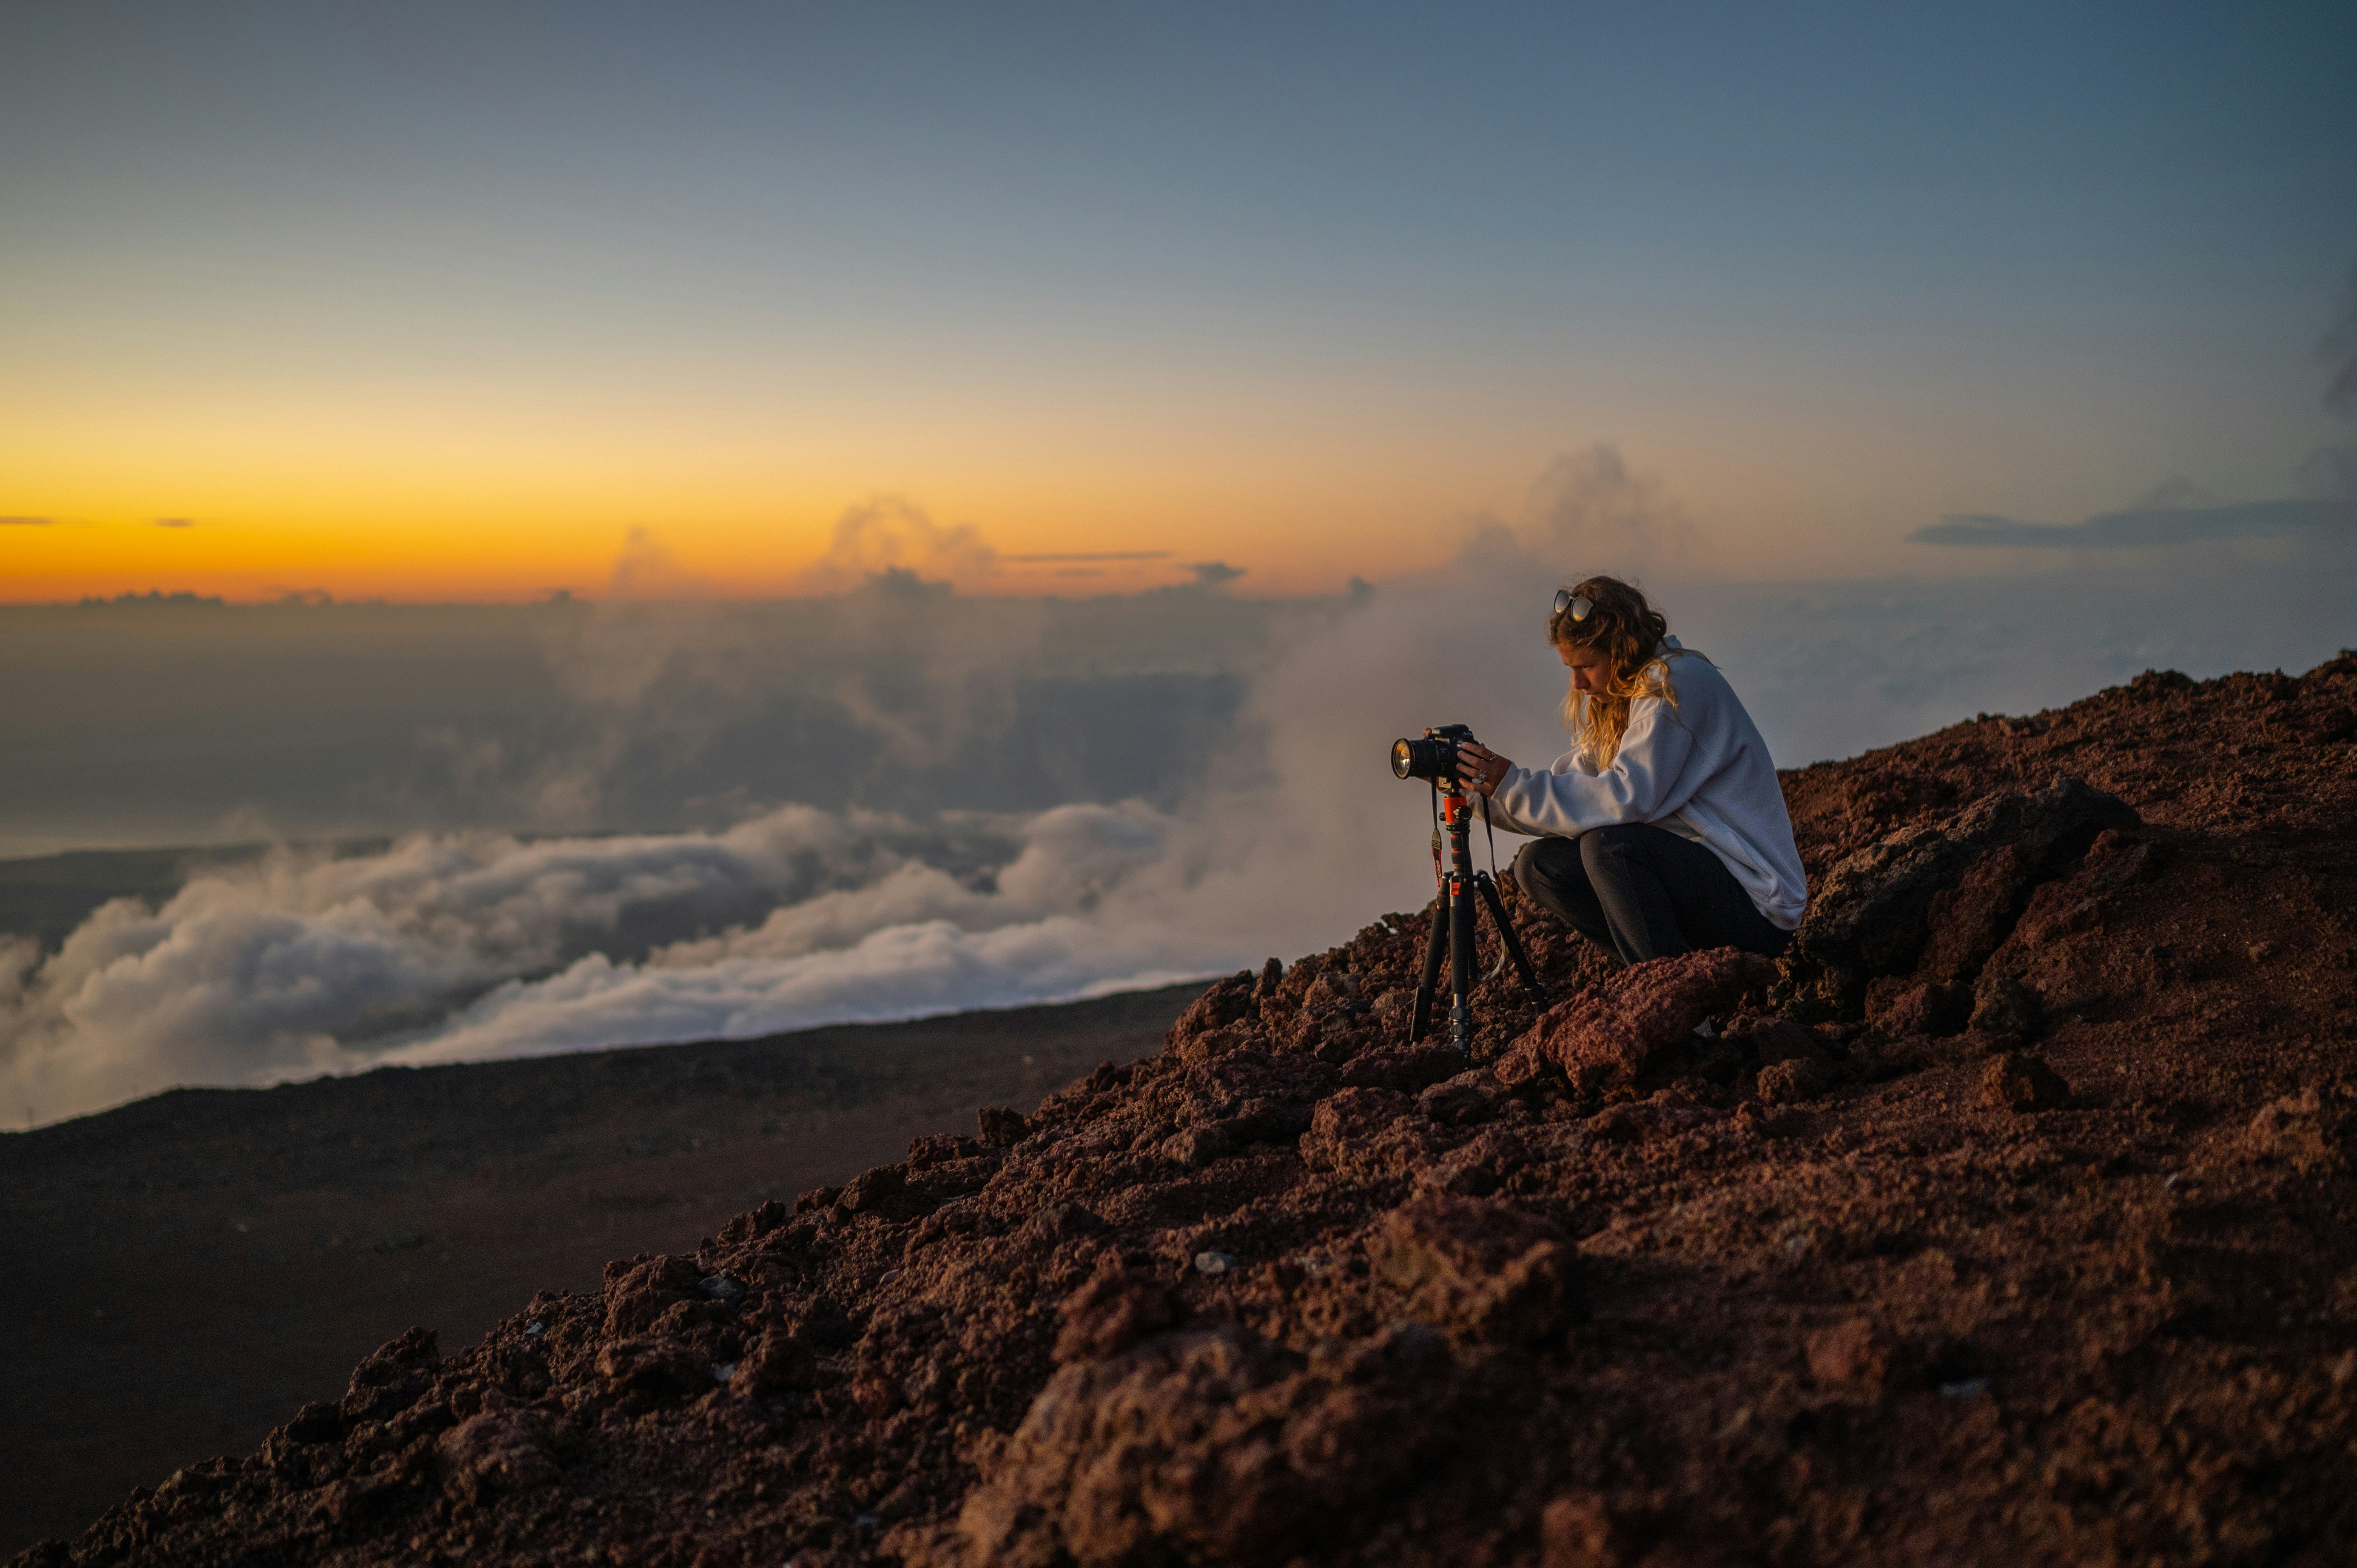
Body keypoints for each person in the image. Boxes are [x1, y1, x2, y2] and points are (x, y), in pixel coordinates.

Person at [1453, 576, 1806, 965]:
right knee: (1538, 866)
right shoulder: (1623, 700)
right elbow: (1579, 795)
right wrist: (1475, 790)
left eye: (1586, 666)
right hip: (1706, 884)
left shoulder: (1673, 686)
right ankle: (1655, 971)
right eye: (1571, 668)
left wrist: (1508, 784)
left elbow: (1625, 798)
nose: (1577, 683)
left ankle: (1671, 996)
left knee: (1609, 846)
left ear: (1620, 651)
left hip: (1759, 907)